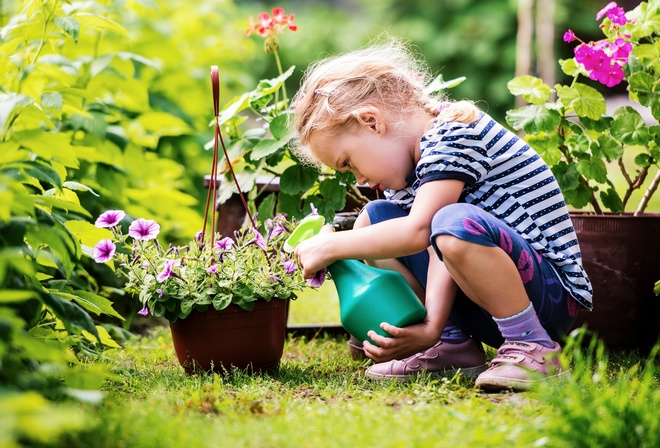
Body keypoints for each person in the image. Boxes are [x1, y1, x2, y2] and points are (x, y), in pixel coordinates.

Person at [290, 39, 592, 391]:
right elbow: (436, 249)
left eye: (348, 163)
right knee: (375, 218)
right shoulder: (411, 172)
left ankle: (535, 348)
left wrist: (331, 246)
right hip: (485, 298)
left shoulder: (454, 133)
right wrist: (433, 327)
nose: (358, 179)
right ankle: (453, 346)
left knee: (452, 222)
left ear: (371, 122)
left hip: (550, 300)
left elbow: (422, 231)